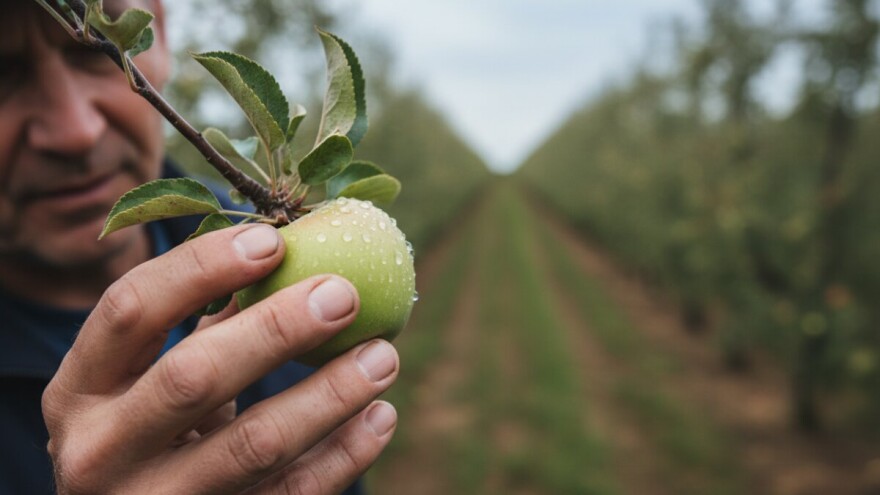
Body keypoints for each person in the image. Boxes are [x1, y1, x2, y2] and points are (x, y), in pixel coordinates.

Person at [0, 0, 400, 493]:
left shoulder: (272, 271)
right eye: (2, 74)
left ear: (156, 34)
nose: (76, 132)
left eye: (95, 52)